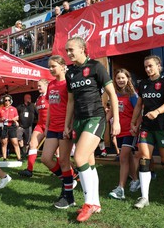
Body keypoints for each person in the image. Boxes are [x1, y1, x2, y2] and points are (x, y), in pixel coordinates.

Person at [63, 36, 120, 222]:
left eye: (71, 50)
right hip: (79, 120)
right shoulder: (70, 73)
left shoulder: (96, 67)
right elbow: (71, 101)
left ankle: (88, 203)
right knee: (89, 161)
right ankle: (95, 203)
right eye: (67, 51)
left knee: (78, 158)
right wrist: (67, 123)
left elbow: (112, 94)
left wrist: (116, 121)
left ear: (82, 49)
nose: (69, 53)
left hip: (95, 117)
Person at [130, 55, 164, 209]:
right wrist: (133, 122)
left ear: (158, 66)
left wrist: (157, 111)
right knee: (144, 159)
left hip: (162, 127)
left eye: (150, 66)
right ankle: (144, 197)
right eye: (146, 67)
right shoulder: (143, 84)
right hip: (146, 127)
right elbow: (139, 105)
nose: (148, 69)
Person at [39, 55, 78, 209]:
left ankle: (68, 197)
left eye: (53, 66)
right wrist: (47, 125)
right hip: (53, 127)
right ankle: (69, 178)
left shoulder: (68, 83)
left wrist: (69, 125)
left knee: (64, 161)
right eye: (49, 66)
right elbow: (50, 108)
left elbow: (72, 105)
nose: (51, 69)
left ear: (63, 66)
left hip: (65, 126)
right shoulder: (51, 85)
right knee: (45, 159)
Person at [108, 69, 141, 200]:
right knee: (128, 157)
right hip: (119, 131)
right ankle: (135, 180)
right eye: (118, 78)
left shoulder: (133, 95)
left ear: (128, 79)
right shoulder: (114, 95)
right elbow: (111, 111)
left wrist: (136, 127)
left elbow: (138, 113)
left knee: (123, 157)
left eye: (123, 78)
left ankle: (120, 188)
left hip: (130, 131)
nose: (120, 80)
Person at [19, 79, 49, 177]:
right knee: (32, 144)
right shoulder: (38, 98)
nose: (38, 88)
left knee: (57, 151)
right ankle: (29, 170)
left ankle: (66, 170)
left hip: (51, 125)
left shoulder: (51, 96)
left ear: (46, 85)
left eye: (40, 86)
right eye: (38, 86)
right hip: (40, 125)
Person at [0, 94, 21, 161]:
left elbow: (17, 117)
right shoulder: (0, 109)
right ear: (3, 101)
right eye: (5, 100)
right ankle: (4, 158)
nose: (7, 101)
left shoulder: (14, 109)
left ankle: (19, 158)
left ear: (11, 101)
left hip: (11, 126)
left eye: (8, 100)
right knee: (4, 142)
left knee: (15, 142)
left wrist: (14, 119)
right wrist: (1, 119)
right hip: (3, 126)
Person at [16, 94, 36, 159]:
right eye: (28, 97)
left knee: (27, 141)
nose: (29, 98)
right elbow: (15, 114)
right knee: (19, 138)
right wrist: (16, 122)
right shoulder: (20, 106)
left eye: (30, 97)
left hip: (29, 126)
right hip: (21, 126)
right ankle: (23, 152)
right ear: (24, 98)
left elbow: (38, 113)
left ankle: (26, 153)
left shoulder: (33, 106)